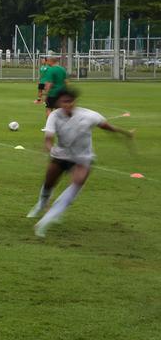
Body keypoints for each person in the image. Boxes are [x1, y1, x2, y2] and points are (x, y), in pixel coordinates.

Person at [29, 88, 134, 237]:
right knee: (48, 184)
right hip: (61, 155)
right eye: (64, 101)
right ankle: (40, 205)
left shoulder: (89, 115)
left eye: (71, 101)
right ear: (59, 102)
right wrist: (50, 149)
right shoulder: (54, 116)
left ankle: (45, 222)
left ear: (75, 102)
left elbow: (108, 127)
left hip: (83, 158)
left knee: (75, 185)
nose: (68, 104)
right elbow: (48, 139)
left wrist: (126, 133)